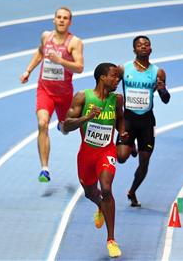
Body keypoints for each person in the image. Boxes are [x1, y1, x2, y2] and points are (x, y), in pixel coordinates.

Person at [63, 63, 126, 258]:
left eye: (118, 77)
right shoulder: (83, 96)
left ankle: (111, 239)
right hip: (86, 154)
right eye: (114, 77)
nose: (117, 80)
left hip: (106, 151)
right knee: (90, 192)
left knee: (106, 189)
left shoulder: (117, 99)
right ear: (102, 78)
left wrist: (121, 133)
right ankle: (100, 206)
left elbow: (121, 118)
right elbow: (66, 125)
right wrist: (87, 117)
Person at [20, 7, 84, 182]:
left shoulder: (74, 42)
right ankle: (45, 169)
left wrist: (61, 60)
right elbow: (41, 52)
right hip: (45, 90)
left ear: (70, 22)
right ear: (54, 20)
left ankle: (62, 125)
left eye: (65, 18)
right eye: (59, 17)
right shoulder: (46, 36)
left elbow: (79, 67)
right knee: (42, 124)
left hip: (64, 94)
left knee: (67, 128)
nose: (62, 20)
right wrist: (28, 71)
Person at [116, 35, 171, 207]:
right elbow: (111, 87)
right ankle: (131, 146)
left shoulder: (158, 72)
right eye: (139, 45)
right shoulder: (124, 69)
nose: (143, 47)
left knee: (144, 162)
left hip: (146, 122)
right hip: (128, 119)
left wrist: (162, 90)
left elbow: (166, 99)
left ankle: (132, 191)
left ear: (151, 49)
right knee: (121, 157)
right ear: (134, 50)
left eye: (146, 44)